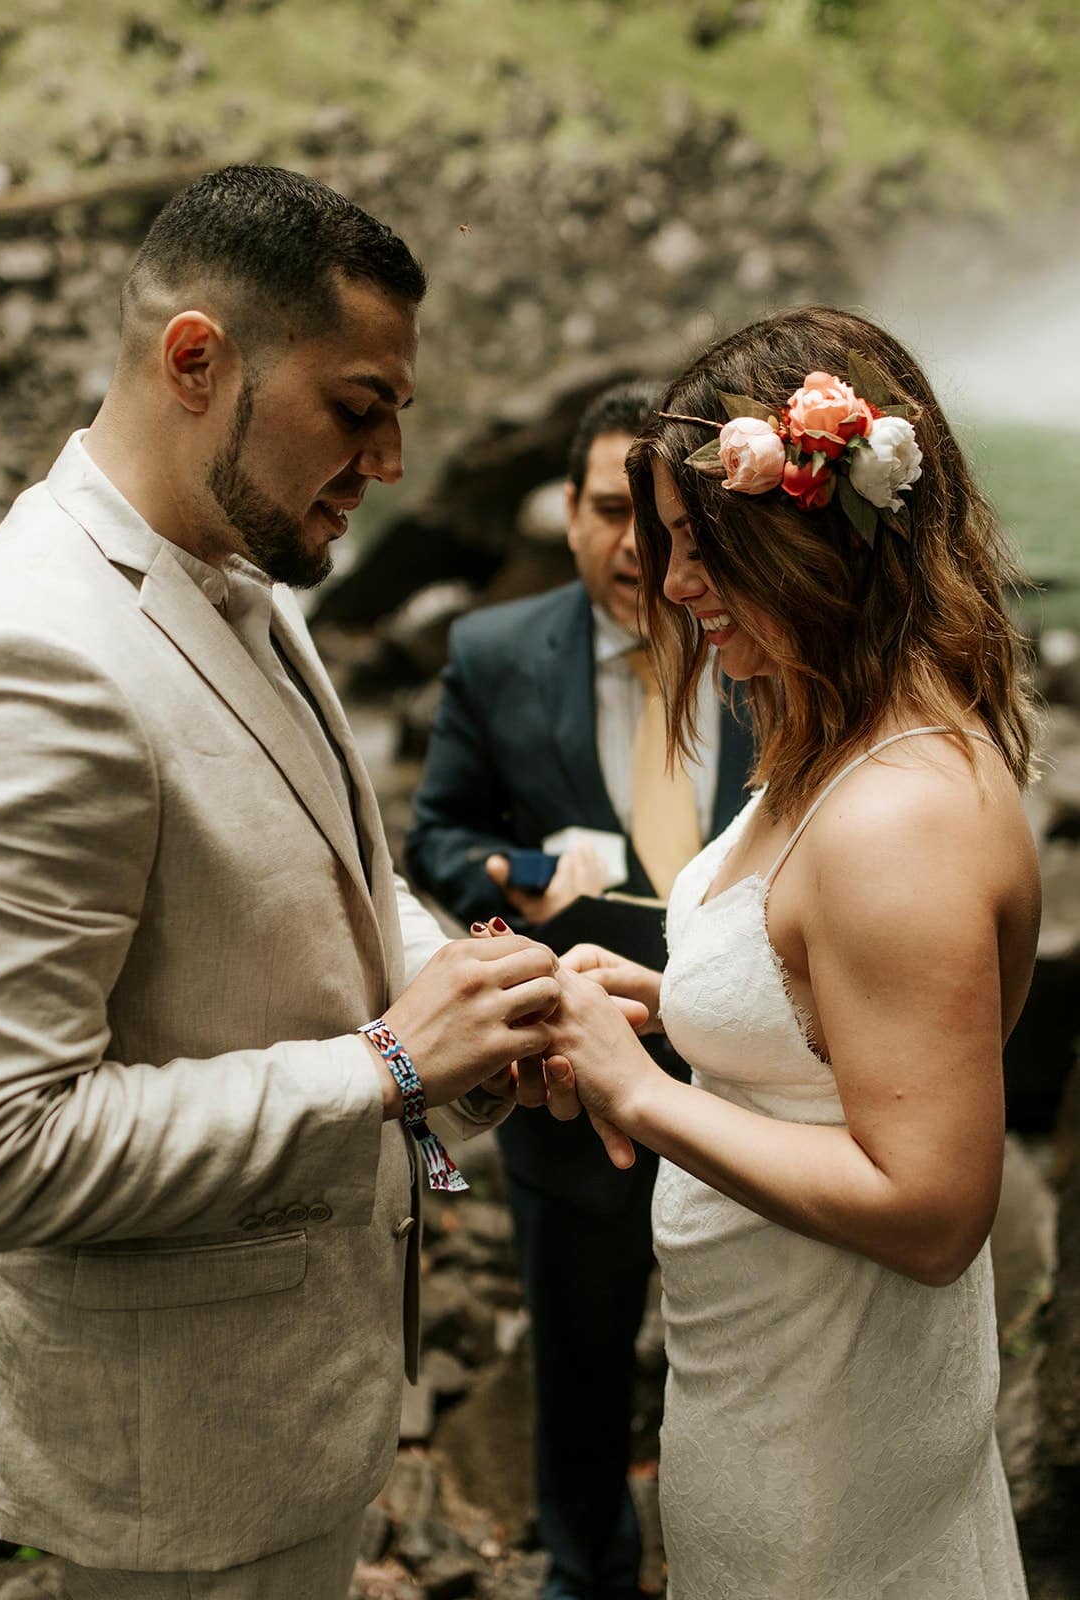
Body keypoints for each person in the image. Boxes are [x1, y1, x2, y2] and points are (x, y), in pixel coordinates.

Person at [0, 165, 574, 1600]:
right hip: (174, 1480)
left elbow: (335, 878)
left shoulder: (244, 575)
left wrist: (484, 999)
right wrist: (392, 1066)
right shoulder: (27, 656)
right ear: (195, 360)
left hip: (289, 1405)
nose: (394, 463)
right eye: (358, 408)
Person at [541, 306, 1039, 1598]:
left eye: (701, 545)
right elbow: (824, 1015)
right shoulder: (837, 742)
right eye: (663, 544)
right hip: (765, 1398)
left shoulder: (899, 817)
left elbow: (931, 1210)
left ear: (808, 524)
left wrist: (639, 1092)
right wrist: (667, 1002)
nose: (669, 582)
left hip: (834, 1442)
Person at [405, 382, 754, 1600]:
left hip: (746, 1077)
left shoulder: (760, 637)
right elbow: (435, 834)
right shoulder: (497, 654)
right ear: (566, 511)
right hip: (564, 1081)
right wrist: (520, 874)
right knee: (581, 1350)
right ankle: (585, 1570)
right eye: (610, 511)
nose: (634, 550)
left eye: (657, 522)